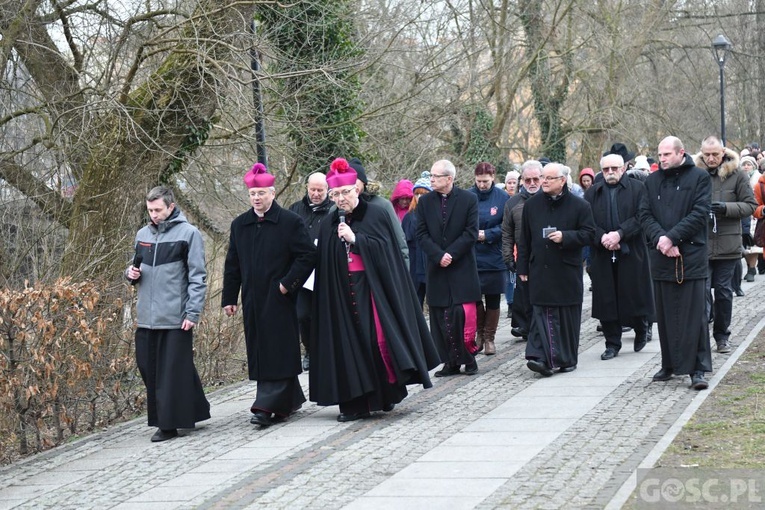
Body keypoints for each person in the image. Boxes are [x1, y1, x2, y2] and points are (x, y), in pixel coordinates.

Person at [310, 158, 440, 422]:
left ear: (356, 190)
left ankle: (384, 394)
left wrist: (356, 240)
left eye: (345, 192)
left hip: (373, 290)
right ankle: (355, 403)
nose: (340, 199)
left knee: (376, 341)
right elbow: (325, 260)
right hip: (342, 292)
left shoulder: (376, 212)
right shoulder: (328, 222)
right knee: (348, 345)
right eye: (335, 194)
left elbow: (388, 251)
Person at [222, 163, 316, 427]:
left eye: (262, 193)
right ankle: (291, 398)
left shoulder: (290, 221)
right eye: (253, 194)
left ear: (272, 193)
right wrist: (230, 298)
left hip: (280, 298)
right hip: (253, 299)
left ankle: (265, 405)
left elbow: (308, 255)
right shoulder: (240, 224)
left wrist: (288, 284)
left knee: (278, 349)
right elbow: (233, 264)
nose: (257, 198)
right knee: (264, 351)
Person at [125, 186, 210, 442]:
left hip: (176, 317)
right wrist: (130, 274)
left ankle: (168, 424)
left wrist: (192, 313)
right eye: (150, 210)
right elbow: (133, 267)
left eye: (158, 210)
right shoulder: (142, 234)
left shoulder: (189, 234)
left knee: (170, 373)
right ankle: (195, 409)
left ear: (171, 207)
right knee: (147, 367)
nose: (154, 215)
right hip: (146, 317)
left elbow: (198, 277)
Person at [639, 136, 712, 390]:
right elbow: (644, 214)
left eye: (667, 154)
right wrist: (661, 239)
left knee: (695, 316)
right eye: (659, 155)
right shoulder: (652, 181)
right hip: (661, 254)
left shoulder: (699, 178)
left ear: (681, 153)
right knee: (666, 313)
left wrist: (672, 237)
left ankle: (698, 368)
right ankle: (669, 363)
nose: (662, 159)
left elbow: (700, 213)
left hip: (690, 255)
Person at [517, 163, 595, 376]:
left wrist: (566, 237)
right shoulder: (532, 206)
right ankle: (539, 357)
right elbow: (524, 239)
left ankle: (566, 359)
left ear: (562, 180)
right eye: (543, 177)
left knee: (566, 317)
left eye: (549, 178)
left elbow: (589, 234)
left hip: (565, 272)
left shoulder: (580, 206)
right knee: (541, 314)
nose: (544, 181)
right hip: (540, 270)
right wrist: (522, 267)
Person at [584, 154, 654, 361]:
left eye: (614, 168)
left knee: (634, 294)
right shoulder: (592, 193)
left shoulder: (638, 188)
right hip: (603, 252)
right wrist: (603, 237)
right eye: (606, 169)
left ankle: (642, 328)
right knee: (606, 299)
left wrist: (620, 234)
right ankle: (612, 343)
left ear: (623, 168)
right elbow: (587, 222)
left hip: (631, 251)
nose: (610, 172)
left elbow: (642, 216)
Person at [417, 159, 482, 376]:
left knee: (461, 316)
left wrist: (451, 254)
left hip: (461, 266)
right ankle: (450, 361)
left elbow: (471, 232)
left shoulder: (468, 199)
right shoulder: (425, 203)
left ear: (449, 178)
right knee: (440, 317)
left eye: (435, 176)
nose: (431, 180)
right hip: (437, 268)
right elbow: (421, 234)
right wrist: (438, 255)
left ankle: (468, 357)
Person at [693, 136, 756, 353]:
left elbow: (750, 205)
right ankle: (700, 338)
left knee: (723, 293)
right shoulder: (694, 175)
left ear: (723, 152)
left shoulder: (737, 174)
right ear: (701, 153)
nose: (711, 158)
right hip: (701, 244)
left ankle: (721, 336)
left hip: (728, 244)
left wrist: (726, 208)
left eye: (715, 154)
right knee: (700, 294)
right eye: (706, 154)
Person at [289, 172, 334, 371]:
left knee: (326, 315)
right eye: (312, 190)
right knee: (303, 315)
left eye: (320, 190)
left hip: (326, 272)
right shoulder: (295, 209)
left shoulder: (333, 211)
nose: (315, 194)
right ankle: (309, 349)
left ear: (327, 190)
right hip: (302, 274)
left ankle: (328, 350)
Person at [468, 162, 509, 355]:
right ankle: (479, 334)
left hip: (494, 256)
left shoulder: (502, 198)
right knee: (474, 297)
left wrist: (488, 234)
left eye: (485, 181)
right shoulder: (467, 197)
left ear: (493, 177)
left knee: (493, 297)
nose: (482, 185)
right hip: (472, 256)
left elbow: (507, 225)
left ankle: (490, 337)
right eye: (479, 181)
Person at [502, 160, 543, 329]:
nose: (532, 183)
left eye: (536, 179)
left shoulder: (549, 199)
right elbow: (507, 233)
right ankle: (527, 326)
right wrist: (508, 258)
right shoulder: (513, 203)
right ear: (522, 180)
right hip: (523, 257)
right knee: (524, 295)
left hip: (546, 256)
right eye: (528, 180)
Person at [350, 158, 409, 264]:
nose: (351, 184)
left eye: (355, 179)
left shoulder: (383, 205)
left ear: (363, 182)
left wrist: (403, 275)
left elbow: (399, 242)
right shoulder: (336, 209)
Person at [402, 172, 432, 309]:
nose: (420, 197)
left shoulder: (436, 216)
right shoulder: (409, 217)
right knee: (415, 303)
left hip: (431, 262)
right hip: (414, 265)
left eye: (424, 194)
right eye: (417, 194)